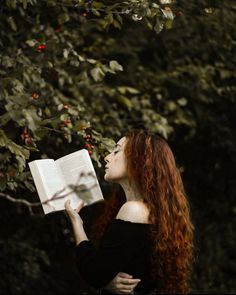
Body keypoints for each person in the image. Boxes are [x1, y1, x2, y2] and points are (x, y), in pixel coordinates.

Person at [65, 128, 194, 294]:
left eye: (117, 151)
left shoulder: (133, 210)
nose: (107, 157)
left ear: (139, 160)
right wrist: (108, 282)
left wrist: (76, 222)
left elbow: (95, 274)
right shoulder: (151, 210)